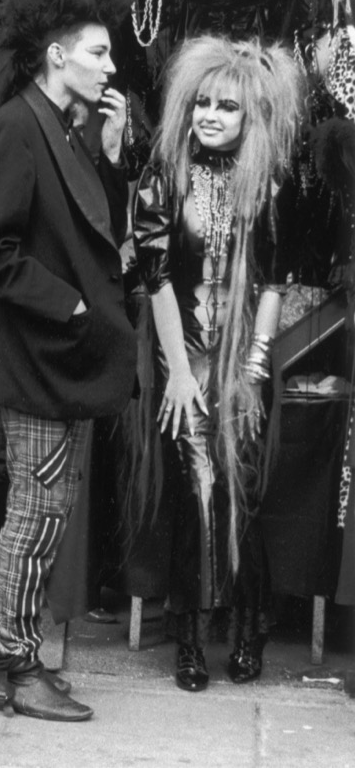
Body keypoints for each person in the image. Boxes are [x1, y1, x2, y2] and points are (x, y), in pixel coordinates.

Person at [0, 0, 136, 722]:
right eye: (98, 51)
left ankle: (12, 652)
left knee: (47, 508)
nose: (111, 63)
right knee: (35, 509)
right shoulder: (15, 126)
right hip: (33, 356)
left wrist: (108, 150)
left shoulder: (60, 126)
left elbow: (79, 229)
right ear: (57, 53)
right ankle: (13, 661)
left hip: (56, 358)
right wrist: (69, 308)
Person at [132, 36, 305, 691]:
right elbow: (156, 283)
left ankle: (249, 627)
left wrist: (255, 370)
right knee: (194, 492)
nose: (210, 114)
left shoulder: (270, 184)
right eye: (201, 101)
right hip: (183, 356)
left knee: (239, 497)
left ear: (248, 114)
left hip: (243, 363)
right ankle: (189, 640)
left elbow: (274, 285)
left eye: (225, 105)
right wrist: (179, 371)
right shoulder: (162, 176)